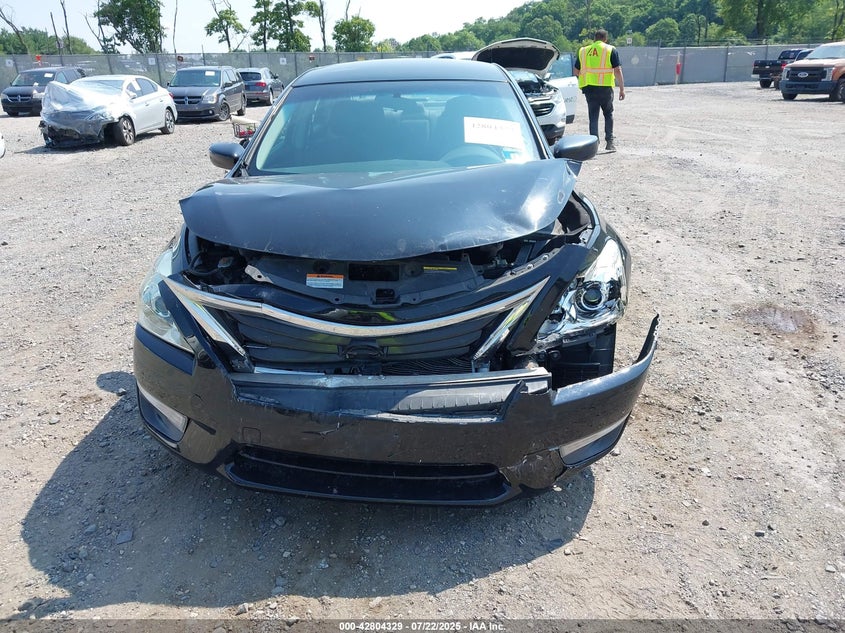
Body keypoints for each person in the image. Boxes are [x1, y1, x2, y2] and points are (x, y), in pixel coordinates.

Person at [574, 29, 625, 152]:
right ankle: (610, 142)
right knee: (608, 114)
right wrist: (622, 89)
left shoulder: (583, 51)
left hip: (589, 88)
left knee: (593, 117)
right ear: (605, 39)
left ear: (594, 38)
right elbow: (617, 70)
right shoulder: (610, 49)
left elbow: (576, 71)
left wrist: (584, 81)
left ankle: (593, 145)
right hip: (605, 88)